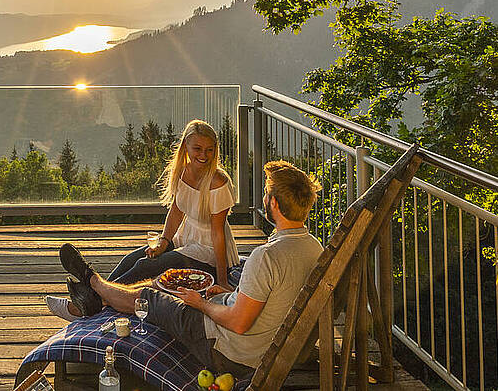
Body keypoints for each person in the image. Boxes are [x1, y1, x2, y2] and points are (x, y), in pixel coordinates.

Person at [56, 160, 324, 379]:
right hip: (268, 343)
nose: (265, 199)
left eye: (266, 195)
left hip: (230, 353)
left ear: (274, 204)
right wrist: (228, 293)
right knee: (157, 283)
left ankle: (94, 283)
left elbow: (238, 323)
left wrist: (201, 304)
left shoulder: (265, 257)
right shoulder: (315, 249)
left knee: (151, 296)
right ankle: (97, 295)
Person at [46, 120, 239, 321]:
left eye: (209, 150)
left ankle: (87, 303)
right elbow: (176, 212)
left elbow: (217, 233)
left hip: (207, 250)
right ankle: (93, 299)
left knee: (143, 267)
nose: (203, 155)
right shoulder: (184, 171)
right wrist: (164, 242)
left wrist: (223, 279)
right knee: (131, 260)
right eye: (197, 149)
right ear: (185, 148)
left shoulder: (218, 181)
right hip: (185, 238)